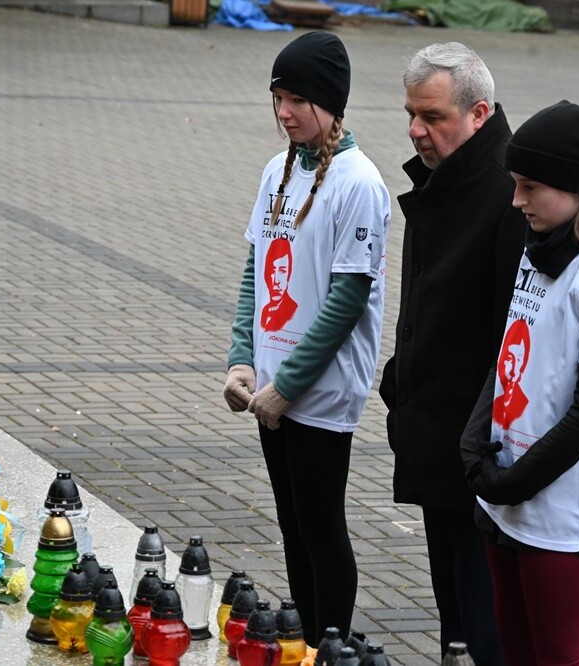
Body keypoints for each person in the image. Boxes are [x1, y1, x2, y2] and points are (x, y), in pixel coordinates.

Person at [460, 100, 579, 665]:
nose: (516, 200)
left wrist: (516, 482)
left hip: (555, 507)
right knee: (513, 651)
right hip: (504, 488)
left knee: (560, 656)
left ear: (574, 188)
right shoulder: (539, 243)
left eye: (529, 187)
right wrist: (475, 447)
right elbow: (508, 352)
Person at [222, 31, 391, 647]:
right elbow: (255, 270)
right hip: (270, 387)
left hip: (318, 394)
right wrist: (243, 358)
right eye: (278, 97)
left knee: (321, 528)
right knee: (292, 528)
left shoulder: (360, 183)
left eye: (297, 98)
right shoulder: (278, 169)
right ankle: (302, 646)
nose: (284, 111)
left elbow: (347, 301)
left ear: (330, 102)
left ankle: (332, 650)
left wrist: (287, 387)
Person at [378, 42, 526, 665]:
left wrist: (480, 437)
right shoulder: (444, 178)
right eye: (411, 114)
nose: (417, 130)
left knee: (484, 612)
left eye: (433, 117)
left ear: (479, 113)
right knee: (455, 618)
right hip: (435, 426)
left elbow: (510, 334)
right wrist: (400, 382)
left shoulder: (509, 194)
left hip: (480, 445)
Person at [261, 238, 300, 332]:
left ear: (289, 274)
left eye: (282, 271)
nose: (276, 280)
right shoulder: (264, 310)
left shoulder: (293, 309)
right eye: (272, 271)